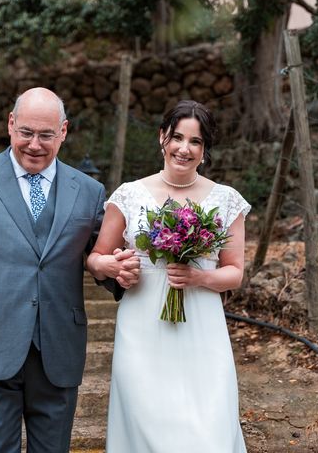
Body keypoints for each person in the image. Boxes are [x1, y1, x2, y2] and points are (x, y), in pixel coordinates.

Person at [0, 87, 140, 453]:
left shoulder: (89, 190)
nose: (35, 144)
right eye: (26, 133)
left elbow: (102, 257)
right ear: (10, 125)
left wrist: (118, 270)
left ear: (64, 132)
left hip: (58, 346)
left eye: (46, 135)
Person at [87, 100, 249, 452]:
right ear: (162, 138)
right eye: (177, 137)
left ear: (204, 150)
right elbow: (96, 259)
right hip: (143, 328)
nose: (184, 148)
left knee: (209, 430)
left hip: (202, 331)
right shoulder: (129, 195)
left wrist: (199, 278)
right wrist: (114, 267)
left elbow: (234, 273)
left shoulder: (226, 200)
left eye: (195, 141)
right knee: (147, 426)